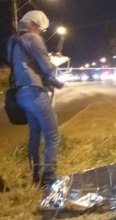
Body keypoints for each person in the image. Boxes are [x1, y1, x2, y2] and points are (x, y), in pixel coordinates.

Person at [7, 10, 60, 188]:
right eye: (41, 29)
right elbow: (47, 66)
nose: (41, 33)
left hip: (21, 93)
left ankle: (36, 176)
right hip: (35, 91)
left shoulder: (12, 40)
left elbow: (23, 64)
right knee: (53, 135)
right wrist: (55, 62)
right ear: (34, 25)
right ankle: (49, 179)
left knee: (35, 135)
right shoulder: (33, 38)